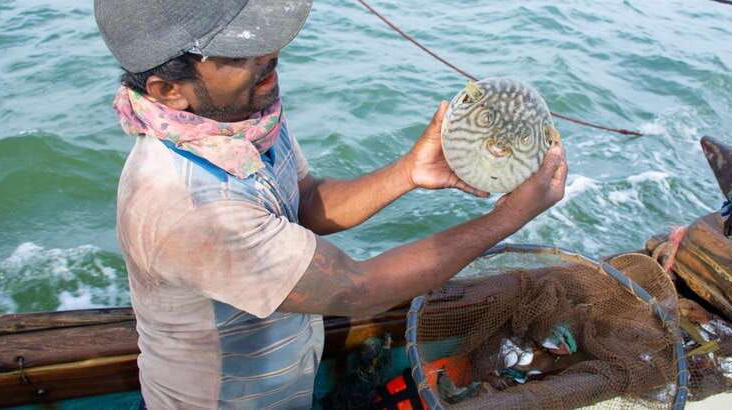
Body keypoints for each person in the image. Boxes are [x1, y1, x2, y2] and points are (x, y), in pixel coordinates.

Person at [94, 0, 567, 408]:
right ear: (167, 91)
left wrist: (407, 173)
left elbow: (302, 201)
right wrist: (510, 216)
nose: (269, 53)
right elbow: (359, 290)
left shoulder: (241, 120)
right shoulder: (189, 207)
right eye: (237, 50)